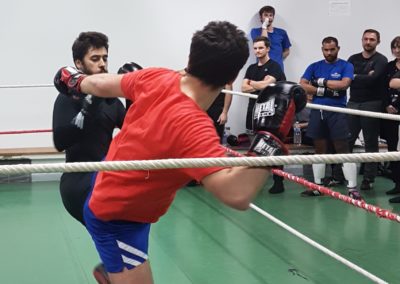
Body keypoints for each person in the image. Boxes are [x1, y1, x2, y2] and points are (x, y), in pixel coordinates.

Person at [54, 21, 306, 283]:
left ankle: (113, 272)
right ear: (231, 78)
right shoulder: (194, 128)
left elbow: (102, 84)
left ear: (190, 57)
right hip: (116, 216)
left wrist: (75, 80)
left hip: (125, 198)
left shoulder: (156, 77)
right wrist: (270, 138)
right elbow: (237, 193)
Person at [52, 31, 127, 283]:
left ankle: (108, 270)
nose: (103, 64)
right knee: (122, 242)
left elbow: (135, 132)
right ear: (79, 64)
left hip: (104, 180)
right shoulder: (67, 99)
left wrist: (136, 100)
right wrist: (88, 106)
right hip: (78, 183)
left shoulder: (112, 101)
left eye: (105, 57)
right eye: (95, 58)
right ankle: (110, 269)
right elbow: (60, 142)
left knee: (125, 248)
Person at [299, 36, 361, 200]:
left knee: (343, 149)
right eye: (326, 50)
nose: (329, 53)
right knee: (319, 150)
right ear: (322, 50)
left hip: (337, 111)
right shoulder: (314, 66)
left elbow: (344, 85)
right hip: (318, 111)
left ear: (338, 48)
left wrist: (320, 82)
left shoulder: (346, 65)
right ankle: (318, 186)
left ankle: (352, 188)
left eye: (332, 49)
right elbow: (303, 85)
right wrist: (327, 90)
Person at [242, 36, 286, 194]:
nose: (257, 51)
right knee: (255, 146)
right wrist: (259, 84)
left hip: (270, 112)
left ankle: (278, 181)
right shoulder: (251, 68)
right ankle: (256, 181)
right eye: (255, 48)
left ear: (267, 49)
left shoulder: (275, 66)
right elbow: (243, 88)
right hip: (253, 111)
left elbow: (266, 86)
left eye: (260, 48)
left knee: (273, 147)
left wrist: (253, 83)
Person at [347, 29, 388, 191]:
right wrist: (363, 76)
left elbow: (374, 79)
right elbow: (347, 79)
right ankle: (346, 176)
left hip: (372, 103)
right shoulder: (353, 58)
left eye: (372, 39)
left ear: (378, 41)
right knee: (347, 140)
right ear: (362, 40)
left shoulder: (381, 60)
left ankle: (369, 178)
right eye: (365, 39)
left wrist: (356, 76)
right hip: (353, 102)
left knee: (371, 142)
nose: (368, 42)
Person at [381, 36, 400, 203]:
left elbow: (393, 83)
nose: (397, 50)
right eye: (395, 47)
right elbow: (384, 87)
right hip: (390, 113)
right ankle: (397, 183)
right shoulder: (388, 66)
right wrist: (387, 105)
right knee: (393, 148)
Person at [250, 5, 291, 71]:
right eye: (266, 15)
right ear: (261, 17)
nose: (268, 18)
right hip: (262, 69)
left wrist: (278, 58)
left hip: (278, 69)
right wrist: (264, 27)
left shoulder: (282, 32)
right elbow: (263, 44)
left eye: (270, 15)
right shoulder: (255, 31)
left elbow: (287, 51)